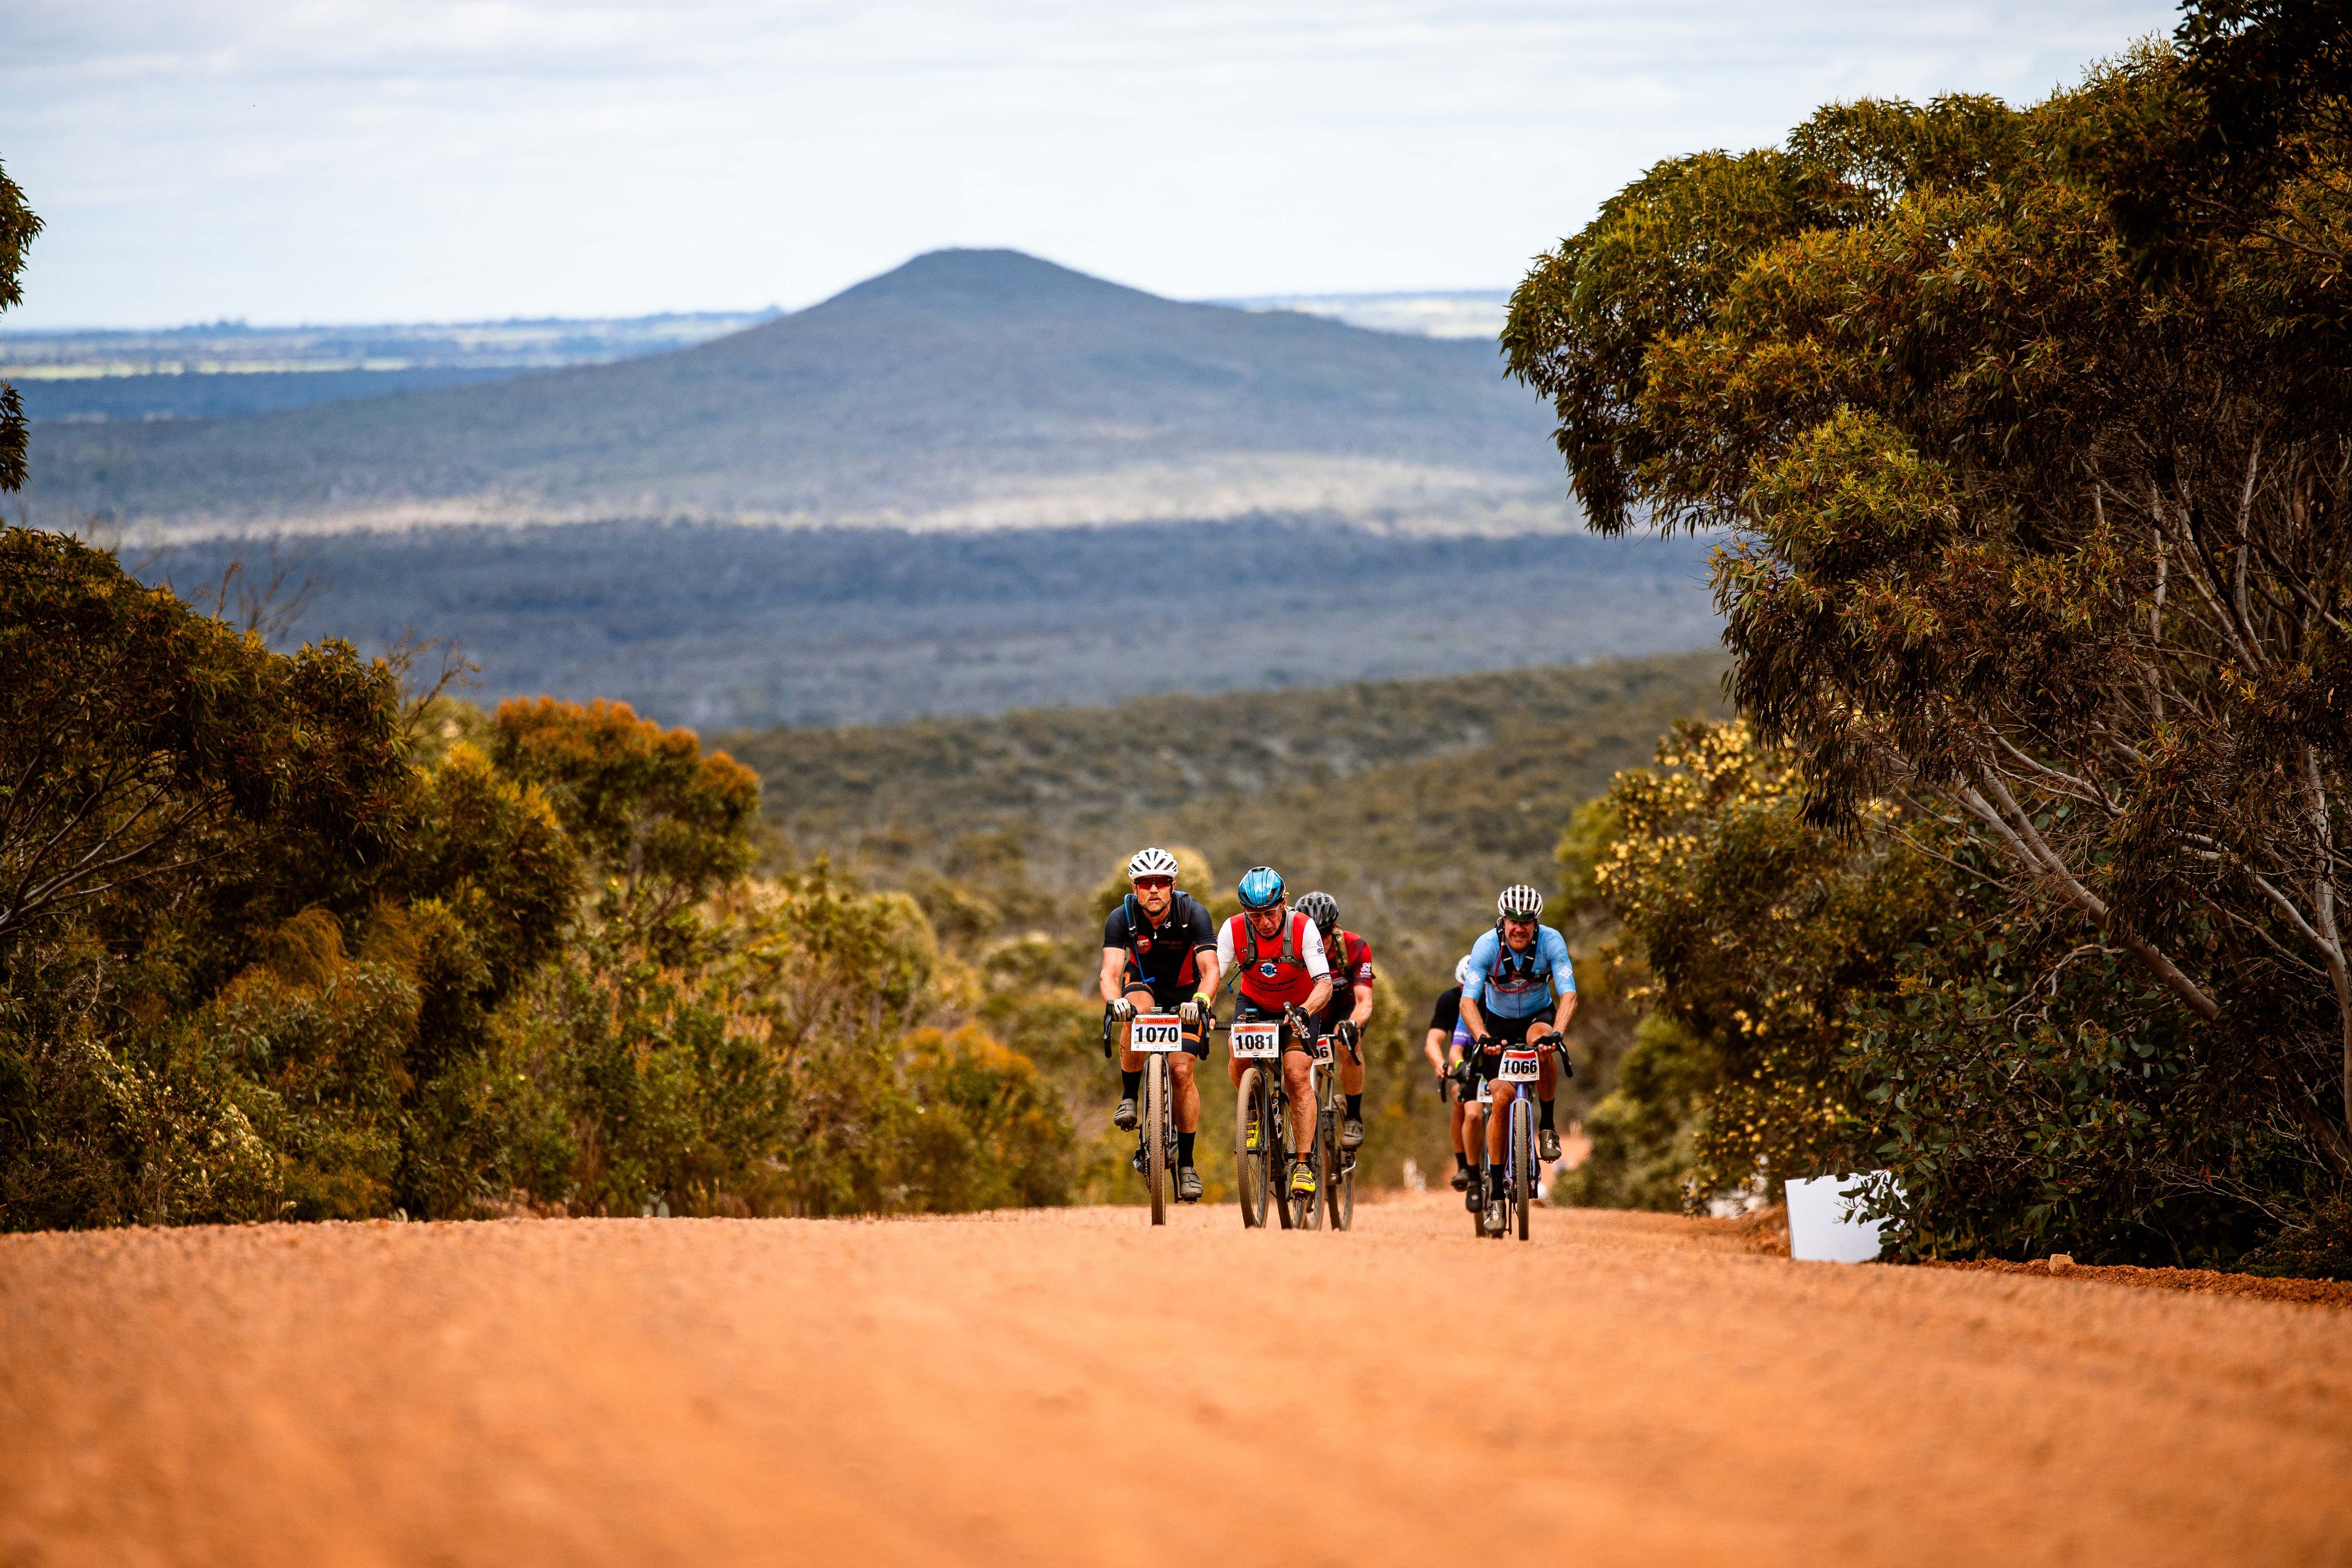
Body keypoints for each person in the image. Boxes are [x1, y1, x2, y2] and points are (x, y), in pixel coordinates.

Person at [1097, 846, 1221, 1202]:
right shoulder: (1121, 917)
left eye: (1161, 882)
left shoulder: (1193, 913)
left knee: (1182, 1072)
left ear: (1173, 886)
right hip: (1144, 985)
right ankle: (1129, 1097)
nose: (1153, 889)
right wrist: (1115, 1001)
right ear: (1134, 888)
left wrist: (1202, 1001)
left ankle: (1187, 1165)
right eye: (1145, 882)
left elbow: (1211, 970)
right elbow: (1109, 973)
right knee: (1135, 1010)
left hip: (1186, 993)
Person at [1458, 883, 1577, 1234]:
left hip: (1538, 1017)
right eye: (1513, 920)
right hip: (1497, 1023)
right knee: (1501, 1098)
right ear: (1503, 920)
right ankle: (1496, 1196)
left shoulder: (1552, 942)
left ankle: (1547, 1128)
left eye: (1526, 921)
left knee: (1543, 1042)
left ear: (1536, 923)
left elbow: (1568, 995)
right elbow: (1468, 1002)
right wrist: (1482, 1037)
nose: (1519, 928)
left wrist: (1558, 1033)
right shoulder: (1486, 946)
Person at [1216, 865, 1333, 1201]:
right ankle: (1252, 1110)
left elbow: (1324, 984)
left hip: (1299, 1005)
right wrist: (1202, 1004)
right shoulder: (1233, 929)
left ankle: (1303, 1164)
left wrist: (1305, 1011)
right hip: (1254, 1001)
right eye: (1255, 915)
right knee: (1237, 1051)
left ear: (1284, 902)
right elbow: (1212, 976)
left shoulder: (1303, 927)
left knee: (1296, 1074)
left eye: (1270, 912)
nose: (1264, 921)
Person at [1293, 891, 1373, 1153]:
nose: (1320, 939)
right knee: (1299, 1065)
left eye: (1325, 932)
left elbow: (1364, 1001)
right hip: (1311, 1010)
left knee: (1346, 1041)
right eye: (1312, 933)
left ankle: (1353, 1118)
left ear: (1335, 928)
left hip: (1344, 1009)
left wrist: (1353, 1025)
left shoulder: (1355, 947)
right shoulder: (1292, 949)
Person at [1424, 957, 1479, 1191]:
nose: (1471, 991)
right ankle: (1463, 1165)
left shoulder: (1496, 998)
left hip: (1493, 1057)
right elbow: (1433, 1041)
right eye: (1464, 986)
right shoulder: (1449, 1000)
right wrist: (1441, 1064)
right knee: (1459, 1096)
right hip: (1464, 1058)